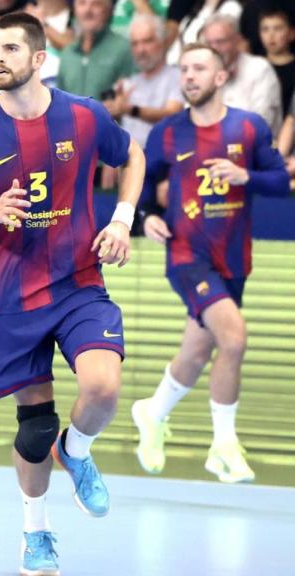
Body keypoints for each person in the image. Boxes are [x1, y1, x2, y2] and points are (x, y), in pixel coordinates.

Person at [0, 13, 145, 574]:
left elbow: (133, 157)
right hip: (8, 293)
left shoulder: (82, 114)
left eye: (10, 48)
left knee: (102, 388)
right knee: (35, 428)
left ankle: (75, 452)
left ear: (38, 60)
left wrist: (122, 220)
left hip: (78, 281)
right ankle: (36, 532)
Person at [131, 43, 289, 484]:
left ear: (221, 78)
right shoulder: (167, 133)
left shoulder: (249, 127)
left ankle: (153, 410)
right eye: (183, 69)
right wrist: (147, 218)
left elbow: (279, 181)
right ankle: (223, 446)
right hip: (186, 255)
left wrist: (246, 177)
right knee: (234, 340)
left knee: (198, 350)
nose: (189, 76)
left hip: (233, 259)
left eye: (199, 68)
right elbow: (143, 187)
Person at [103, 14, 184, 148]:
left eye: (147, 41)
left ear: (162, 41)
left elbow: (172, 115)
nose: (141, 50)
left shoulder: (177, 76)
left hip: (163, 161)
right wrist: (112, 111)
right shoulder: (127, 84)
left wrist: (131, 110)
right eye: (135, 43)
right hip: (131, 162)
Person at [201, 14, 283, 134]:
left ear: (237, 40)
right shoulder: (203, 73)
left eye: (221, 42)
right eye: (209, 43)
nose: (214, 49)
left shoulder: (259, 68)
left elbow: (259, 124)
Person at [58, 0, 136, 100]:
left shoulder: (125, 49)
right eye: (82, 3)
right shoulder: (68, 53)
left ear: (110, 10)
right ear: (74, 10)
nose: (87, 10)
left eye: (96, 4)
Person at [260, 9, 295, 119]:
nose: (271, 35)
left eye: (278, 29)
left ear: (291, 34)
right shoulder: (254, 67)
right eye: (265, 29)